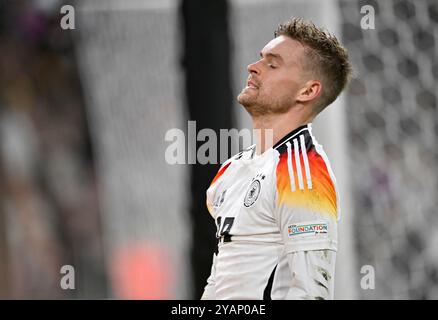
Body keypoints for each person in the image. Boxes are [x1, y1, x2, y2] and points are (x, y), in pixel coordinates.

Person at [201, 17, 352, 300]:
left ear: (307, 91)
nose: (253, 67)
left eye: (272, 64)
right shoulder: (230, 171)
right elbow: (220, 282)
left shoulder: (303, 173)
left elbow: (311, 294)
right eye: (261, 59)